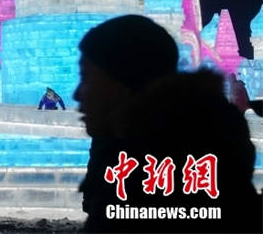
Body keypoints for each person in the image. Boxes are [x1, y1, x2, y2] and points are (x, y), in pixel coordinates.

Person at [74, 14, 262, 233]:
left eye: (86, 76)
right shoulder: (117, 147)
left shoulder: (150, 175)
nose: (78, 94)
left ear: (123, 81)